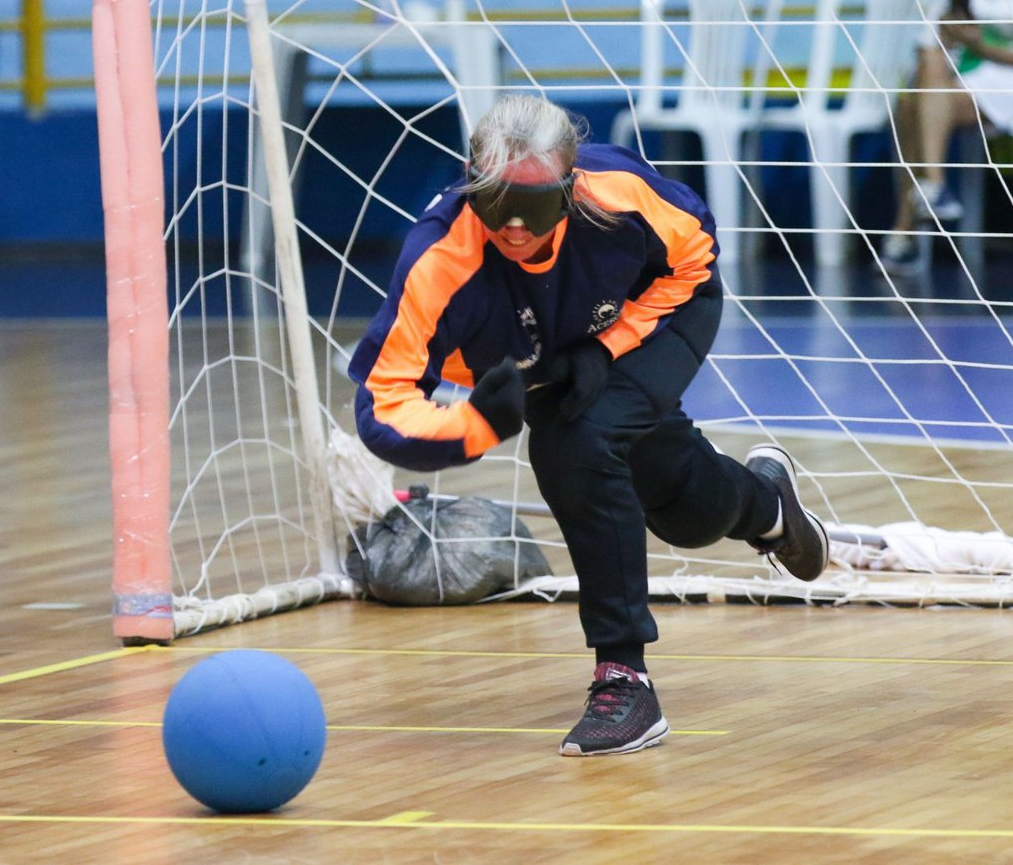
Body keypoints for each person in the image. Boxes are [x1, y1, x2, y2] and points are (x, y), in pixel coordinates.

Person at [348, 94, 829, 757]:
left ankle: (625, 676)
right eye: (494, 199)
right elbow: (382, 402)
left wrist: (609, 346)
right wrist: (476, 424)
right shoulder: (439, 259)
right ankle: (770, 504)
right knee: (682, 508)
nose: (514, 225)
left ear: (570, 191)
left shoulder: (618, 196)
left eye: (536, 203)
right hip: (541, 359)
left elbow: (696, 258)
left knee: (574, 442)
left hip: (658, 316)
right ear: (468, 183)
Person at [881, 0, 1013, 276]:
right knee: (922, 80)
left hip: (1011, 83)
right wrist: (951, 36)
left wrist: (980, 46)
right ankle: (933, 186)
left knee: (912, 107)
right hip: (958, 84)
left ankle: (908, 223)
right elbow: (927, 48)